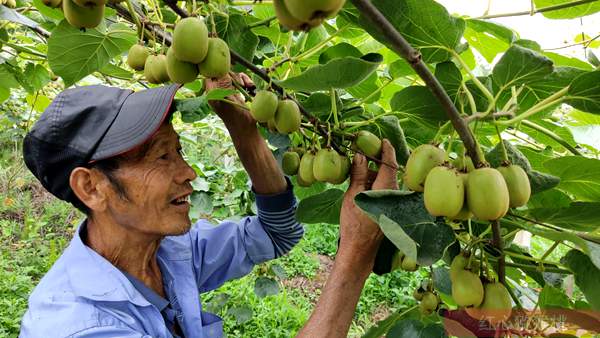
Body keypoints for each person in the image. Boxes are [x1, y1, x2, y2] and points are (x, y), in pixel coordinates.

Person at [19, 74, 399, 338]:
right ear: (91, 187)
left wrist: (243, 130)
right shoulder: (80, 326)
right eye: (162, 157)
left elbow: (276, 232)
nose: (189, 171)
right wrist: (356, 254)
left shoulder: (166, 253)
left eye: (179, 149)